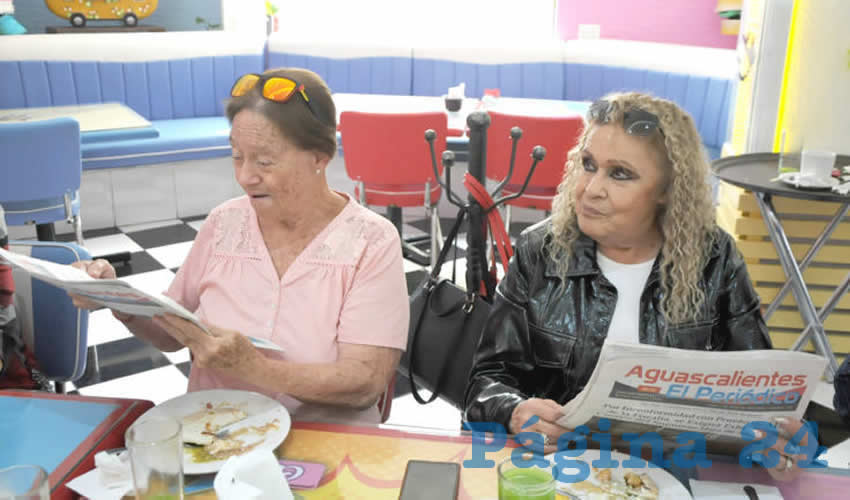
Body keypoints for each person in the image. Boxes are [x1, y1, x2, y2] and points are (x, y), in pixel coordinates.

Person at [464, 92, 812, 480]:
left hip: (676, 479)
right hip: (559, 476)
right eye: (588, 165)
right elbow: (484, 382)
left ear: (666, 191)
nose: (590, 189)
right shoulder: (539, 251)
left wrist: (780, 440)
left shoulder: (715, 259)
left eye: (620, 174)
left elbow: (760, 400)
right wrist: (512, 410)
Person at [72, 68, 409, 423]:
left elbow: (363, 383)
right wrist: (116, 298)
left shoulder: (370, 241)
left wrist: (255, 368)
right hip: (216, 436)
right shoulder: (224, 224)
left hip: (324, 444)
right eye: (236, 155)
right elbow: (171, 334)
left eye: (264, 161)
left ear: (319, 157)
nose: (246, 176)